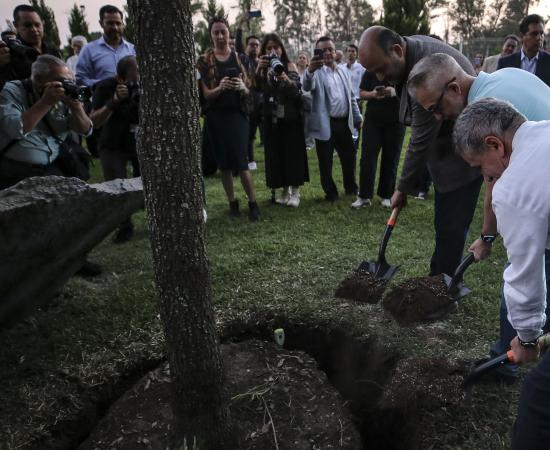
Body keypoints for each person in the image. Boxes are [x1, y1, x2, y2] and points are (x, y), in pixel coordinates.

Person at [407, 52, 550, 382]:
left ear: (454, 88)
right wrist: (487, 235)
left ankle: (509, 358)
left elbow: (501, 184)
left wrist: (526, 337)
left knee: (523, 276)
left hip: (537, 190)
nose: (438, 117)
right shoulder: (506, 81)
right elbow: (497, 178)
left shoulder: (513, 179)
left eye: (436, 108)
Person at [453, 98, 550, 450]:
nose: (487, 178)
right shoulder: (544, 133)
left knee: (539, 404)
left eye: (482, 167)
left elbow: (525, 275)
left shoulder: (515, 185)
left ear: (495, 145)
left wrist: (525, 339)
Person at [358, 26, 482, 278]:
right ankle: (440, 279)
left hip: (462, 156)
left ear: (396, 50)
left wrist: (401, 188)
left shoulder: (425, 74)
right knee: (446, 223)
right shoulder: (410, 52)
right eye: (373, 73)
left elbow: (420, 140)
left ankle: (441, 286)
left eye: (381, 69)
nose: (380, 79)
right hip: (448, 150)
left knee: (451, 226)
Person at [0, 55, 100, 276]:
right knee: (25, 223)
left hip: (50, 164)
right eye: (60, 82)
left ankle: (74, 261)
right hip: (15, 168)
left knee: (68, 213)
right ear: (37, 79)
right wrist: (45, 102)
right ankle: (27, 271)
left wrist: (76, 107)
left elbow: (86, 129)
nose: (66, 87)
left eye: (69, 81)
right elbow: (15, 128)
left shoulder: (67, 95)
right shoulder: (12, 91)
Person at [197, 17, 260, 221]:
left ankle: (253, 203)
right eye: (216, 32)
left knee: (241, 162)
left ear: (228, 32)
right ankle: (232, 202)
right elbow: (205, 94)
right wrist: (220, 88)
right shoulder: (204, 60)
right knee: (224, 164)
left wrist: (243, 88)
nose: (220, 36)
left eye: (223, 31)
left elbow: (250, 87)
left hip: (237, 116)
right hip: (215, 117)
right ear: (211, 35)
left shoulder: (240, 58)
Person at [303, 36, 362, 202]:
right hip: (325, 124)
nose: (327, 53)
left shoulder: (343, 70)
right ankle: (331, 193)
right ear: (318, 53)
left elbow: (351, 96)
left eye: (330, 49)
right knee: (325, 162)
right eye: (323, 50)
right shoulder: (315, 72)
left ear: (335, 51)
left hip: (344, 123)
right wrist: (310, 71)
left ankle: (351, 188)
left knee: (349, 157)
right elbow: (307, 86)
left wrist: (357, 117)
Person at [90, 56, 140, 243]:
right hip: (111, 141)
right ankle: (124, 225)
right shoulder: (105, 86)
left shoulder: (147, 85)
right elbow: (94, 120)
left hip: (137, 140)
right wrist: (114, 100)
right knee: (117, 186)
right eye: (134, 80)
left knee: (149, 182)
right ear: (120, 79)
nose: (138, 82)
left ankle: (156, 218)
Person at [255, 33, 309, 207]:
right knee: (277, 155)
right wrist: (259, 70)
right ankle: (284, 191)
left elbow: (296, 92)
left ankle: (295, 193)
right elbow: (255, 89)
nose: (273, 51)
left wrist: (284, 78)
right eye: (269, 48)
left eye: (276, 47)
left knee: (293, 154)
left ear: (282, 49)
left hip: (291, 117)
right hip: (272, 118)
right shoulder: (262, 69)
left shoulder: (290, 65)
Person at [351, 70, 404, 209]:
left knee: (391, 158)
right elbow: (361, 93)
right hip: (373, 121)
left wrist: (394, 91)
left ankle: (386, 195)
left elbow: (409, 93)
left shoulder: (399, 71)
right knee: (367, 158)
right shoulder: (370, 72)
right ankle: (364, 195)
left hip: (395, 121)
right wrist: (373, 94)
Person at [0, 4, 61, 89]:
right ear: (16, 25)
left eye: (37, 25)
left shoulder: (53, 52)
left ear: (43, 23)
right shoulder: (8, 54)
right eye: (27, 25)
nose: (34, 29)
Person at [76, 5, 135, 87]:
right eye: (110, 23)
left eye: (118, 23)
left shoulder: (132, 50)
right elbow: (81, 80)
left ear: (123, 24)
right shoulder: (89, 50)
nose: (115, 27)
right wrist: (105, 84)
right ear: (101, 23)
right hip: (101, 98)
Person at [497, 14, 550, 86]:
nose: (539, 38)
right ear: (522, 36)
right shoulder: (505, 63)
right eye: (534, 34)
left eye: (541, 34)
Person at [339, 44, 366, 147]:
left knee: (356, 124)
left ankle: (355, 146)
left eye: (353, 51)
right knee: (344, 124)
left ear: (357, 54)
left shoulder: (361, 68)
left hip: (357, 101)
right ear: (346, 53)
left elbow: (365, 84)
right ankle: (344, 145)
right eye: (349, 51)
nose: (350, 53)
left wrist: (362, 98)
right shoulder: (341, 68)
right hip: (344, 101)